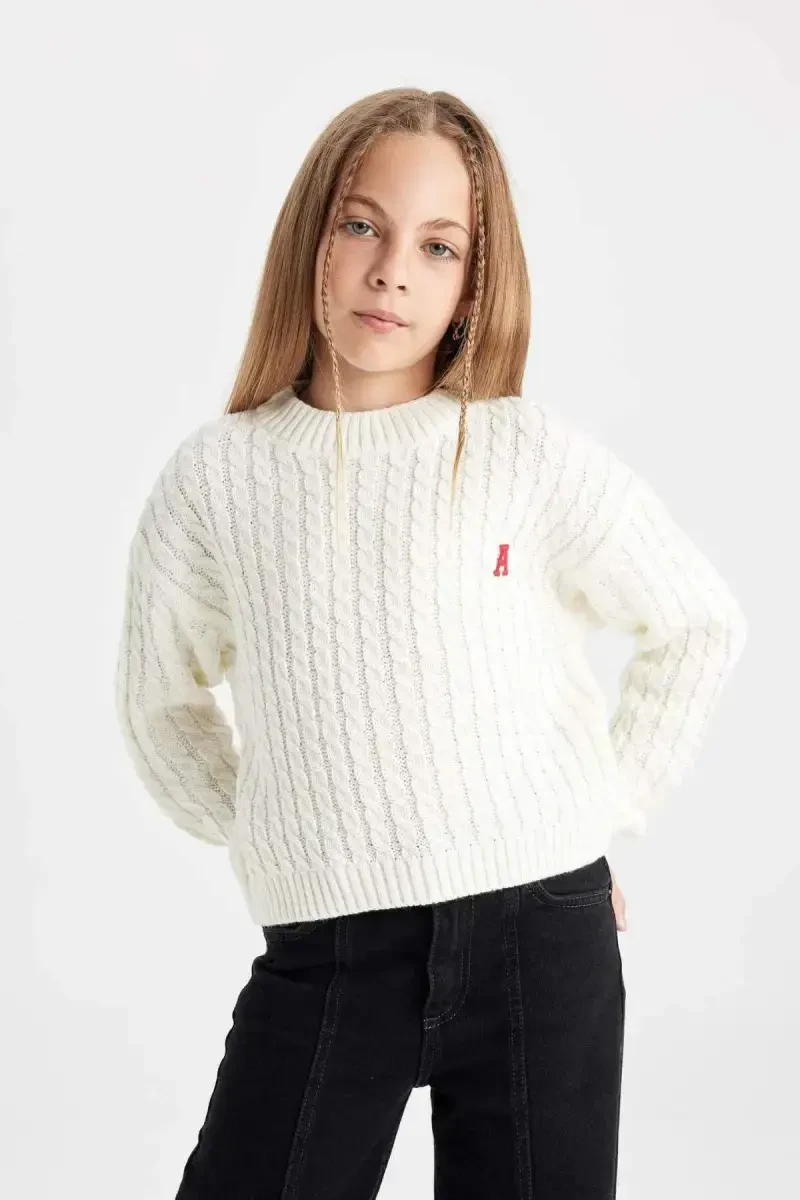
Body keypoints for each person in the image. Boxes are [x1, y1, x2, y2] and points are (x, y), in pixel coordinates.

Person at [114, 88, 748, 1199]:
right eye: (362, 225)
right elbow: (160, 702)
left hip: (540, 934)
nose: (392, 272)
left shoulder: (520, 453)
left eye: (437, 246)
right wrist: (281, 825)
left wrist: (604, 808)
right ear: (311, 236)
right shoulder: (218, 480)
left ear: (472, 282)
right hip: (329, 949)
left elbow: (696, 621)